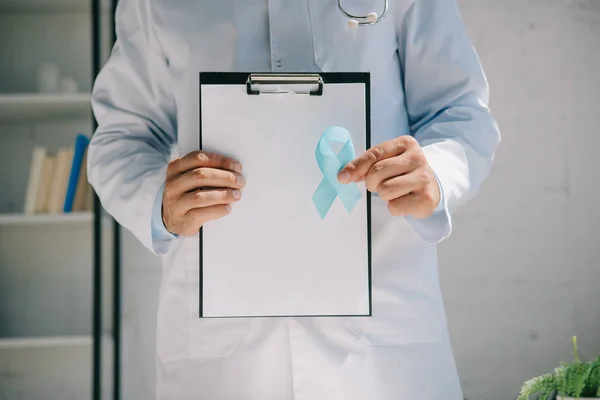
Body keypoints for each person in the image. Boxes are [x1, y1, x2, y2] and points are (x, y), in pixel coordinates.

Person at [88, 0, 500, 399]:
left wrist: (436, 171)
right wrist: (158, 203)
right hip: (220, 348)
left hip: (383, 326)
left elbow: (459, 107)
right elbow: (122, 136)